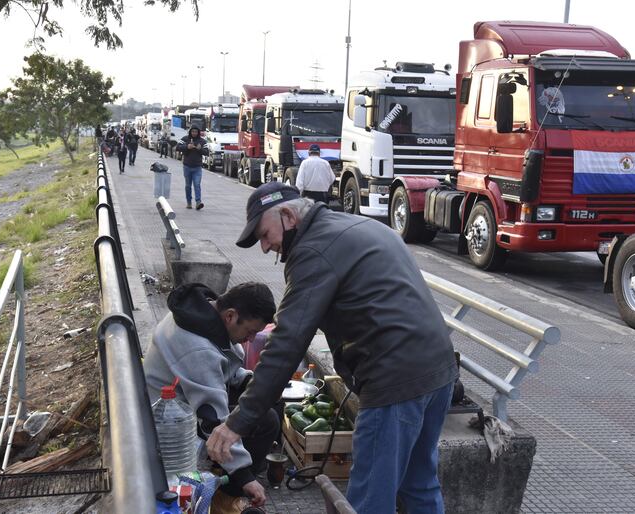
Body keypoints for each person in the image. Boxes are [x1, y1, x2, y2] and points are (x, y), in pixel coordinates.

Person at [206, 182, 458, 513]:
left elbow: (287, 343)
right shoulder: (357, 225)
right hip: (438, 370)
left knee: (369, 500)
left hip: (395, 382)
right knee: (419, 483)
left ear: (288, 216)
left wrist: (237, 421)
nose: (266, 247)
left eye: (265, 235)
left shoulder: (313, 250)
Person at [144, 282, 278, 509]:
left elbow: (223, 365)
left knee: (264, 403)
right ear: (230, 316)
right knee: (265, 421)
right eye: (250, 332)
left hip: (186, 398)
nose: (250, 339)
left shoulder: (202, 313)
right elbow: (212, 420)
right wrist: (245, 477)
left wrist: (251, 382)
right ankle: (227, 496)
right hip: (171, 419)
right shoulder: (197, 348)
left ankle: (231, 481)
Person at [177, 127, 208, 210]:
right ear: (190, 132)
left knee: (197, 184)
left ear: (198, 132)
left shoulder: (202, 141)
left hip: (197, 167)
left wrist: (200, 149)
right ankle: (189, 202)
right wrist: (187, 147)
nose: (194, 133)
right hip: (187, 166)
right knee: (188, 186)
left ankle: (198, 202)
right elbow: (178, 147)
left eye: (196, 132)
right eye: (193, 131)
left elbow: (207, 152)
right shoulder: (185, 139)